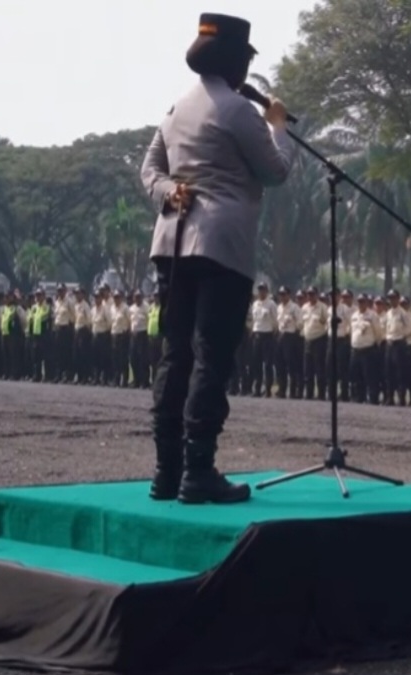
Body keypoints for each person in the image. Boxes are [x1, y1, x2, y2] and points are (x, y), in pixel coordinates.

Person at [140, 12, 292, 504]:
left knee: (176, 353)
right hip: (221, 246)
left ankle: (168, 471)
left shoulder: (176, 109)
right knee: (211, 354)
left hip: (172, 244)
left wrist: (168, 190)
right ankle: (198, 470)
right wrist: (279, 127)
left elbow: (150, 169)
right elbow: (275, 172)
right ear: (234, 63)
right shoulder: (236, 111)